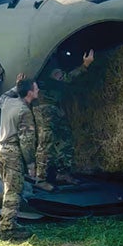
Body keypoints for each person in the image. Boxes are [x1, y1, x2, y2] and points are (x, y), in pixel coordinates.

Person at [33, 49, 94, 189]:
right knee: (46, 142)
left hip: (54, 107)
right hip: (45, 108)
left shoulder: (49, 64)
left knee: (66, 139)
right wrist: (85, 66)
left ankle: (62, 173)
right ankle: (40, 179)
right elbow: (66, 78)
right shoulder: (48, 67)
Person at [0, 77, 39, 240]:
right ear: (30, 93)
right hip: (12, 151)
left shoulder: (7, 102)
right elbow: (27, 141)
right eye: (36, 88)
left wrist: (16, 85)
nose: (38, 90)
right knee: (14, 191)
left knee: (8, 189)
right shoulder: (24, 112)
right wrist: (31, 164)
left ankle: (7, 222)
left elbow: (0, 97)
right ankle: (7, 229)